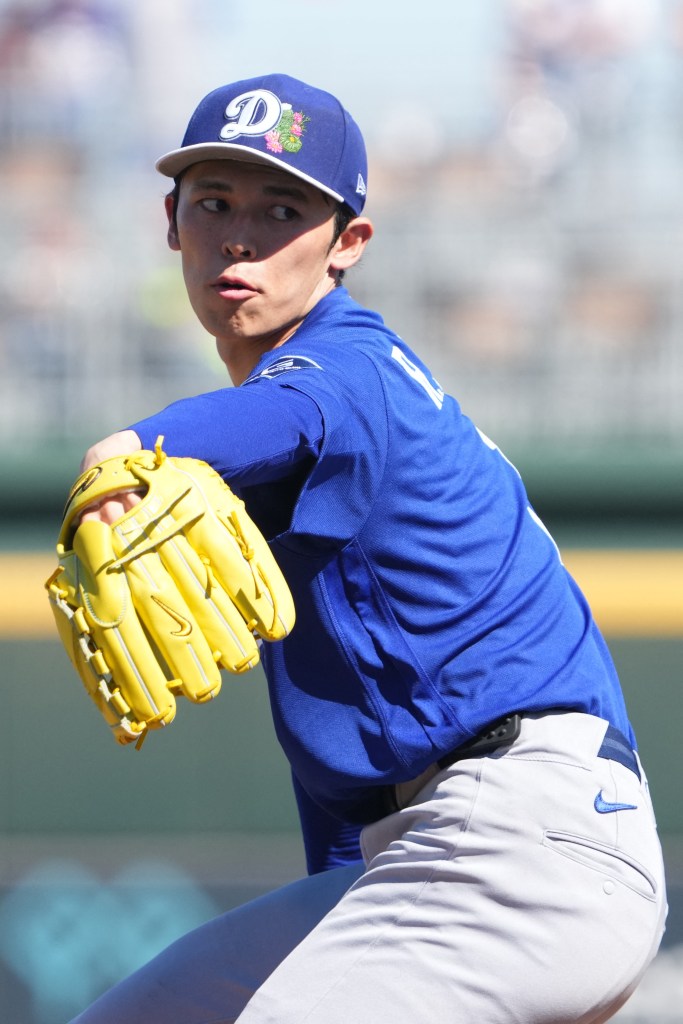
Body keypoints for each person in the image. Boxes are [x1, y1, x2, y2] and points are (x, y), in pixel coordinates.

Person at [70, 73, 667, 1024]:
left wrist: (130, 450)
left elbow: (290, 411)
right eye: (214, 202)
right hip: (440, 846)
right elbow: (350, 812)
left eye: (282, 211)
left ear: (347, 242)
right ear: (171, 222)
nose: (240, 236)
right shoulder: (282, 461)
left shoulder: (350, 369)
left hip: (523, 836)